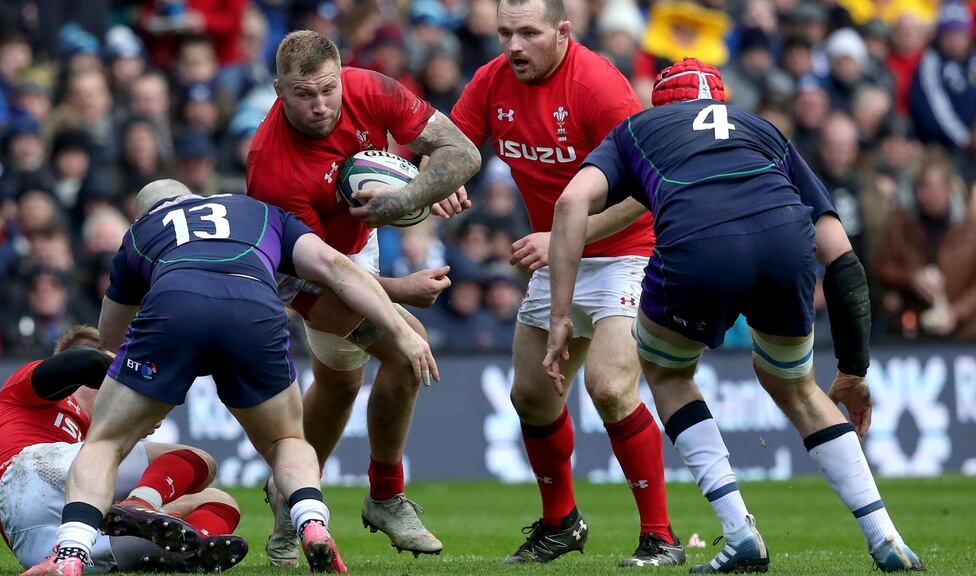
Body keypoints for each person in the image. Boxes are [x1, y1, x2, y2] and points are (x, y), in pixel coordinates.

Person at [544, 58, 924, 573]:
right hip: (784, 242)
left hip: (698, 247)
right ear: (719, 100)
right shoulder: (762, 130)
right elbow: (843, 261)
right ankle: (887, 539)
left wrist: (562, 315)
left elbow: (571, 204)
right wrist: (854, 371)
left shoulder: (638, 128)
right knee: (794, 384)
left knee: (667, 372)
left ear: (663, 104)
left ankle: (740, 533)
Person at [23, 179, 439, 576]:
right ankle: (312, 522)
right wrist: (403, 333)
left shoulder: (140, 234)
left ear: (142, 216)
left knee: (106, 443)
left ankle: (71, 553)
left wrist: (140, 394)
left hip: (173, 308)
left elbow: (112, 339)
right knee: (286, 441)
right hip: (252, 307)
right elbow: (334, 267)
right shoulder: (256, 212)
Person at [448, 0, 681, 566]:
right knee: (531, 394)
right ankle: (562, 525)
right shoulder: (491, 80)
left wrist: (559, 240)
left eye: (528, 33)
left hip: (630, 253)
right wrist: (439, 181)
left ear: (563, 32)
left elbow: (647, 190)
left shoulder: (601, 87)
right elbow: (453, 147)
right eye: (506, 33)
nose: (514, 46)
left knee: (608, 386)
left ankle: (660, 537)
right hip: (559, 260)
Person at [246, 30, 480, 562]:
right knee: (403, 351)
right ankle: (385, 495)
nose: (320, 106)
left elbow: (461, 152)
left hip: (364, 238)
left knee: (339, 383)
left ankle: (289, 493)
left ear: (341, 76)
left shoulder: (370, 89)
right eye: (304, 95)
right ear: (278, 89)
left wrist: (417, 191)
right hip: (313, 269)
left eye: (328, 89)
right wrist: (399, 293)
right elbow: (304, 288)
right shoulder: (271, 168)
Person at [0, 325, 248, 573]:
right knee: (200, 460)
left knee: (220, 500)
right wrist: (138, 390)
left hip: (41, 546)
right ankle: (139, 503)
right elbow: (86, 362)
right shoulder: (27, 392)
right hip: (23, 473)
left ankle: (186, 553)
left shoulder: (99, 435)